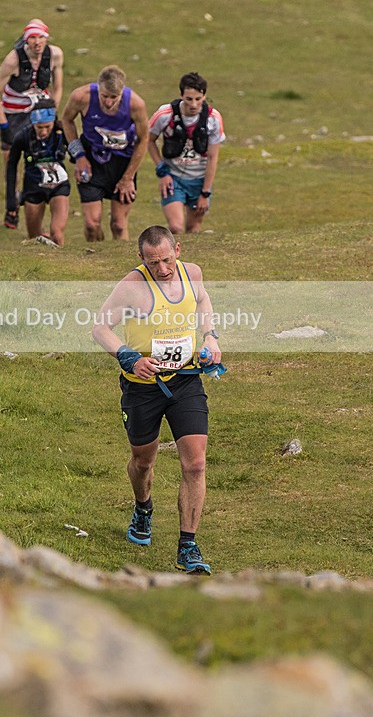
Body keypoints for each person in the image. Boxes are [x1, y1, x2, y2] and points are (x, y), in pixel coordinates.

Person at [91, 225, 223, 574]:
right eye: (153, 263)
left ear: (177, 250)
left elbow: (203, 299)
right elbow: (99, 328)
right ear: (141, 258)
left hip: (185, 381)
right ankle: (143, 506)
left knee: (195, 464)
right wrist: (128, 356)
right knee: (143, 462)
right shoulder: (131, 287)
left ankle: (188, 546)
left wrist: (210, 337)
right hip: (143, 387)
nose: (162, 269)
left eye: (166, 259)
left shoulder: (192, 273)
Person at [0, 19, 64, 229]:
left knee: (43, 156)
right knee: (10, 162)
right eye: (32, 37)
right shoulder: (13, 60)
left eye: (41, 37)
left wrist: (52, 111)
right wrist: (4, 125)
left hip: (39, 110)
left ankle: (40, 199)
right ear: (26, 40)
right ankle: (11, 206)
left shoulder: (55, 55)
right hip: (13, 113)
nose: (37, 42)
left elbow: (58, 87)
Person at [61, 65, 148, 241]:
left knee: (119, 224)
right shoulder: (81, 96)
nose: (108, 102)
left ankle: (120, 263)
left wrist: (128, 177)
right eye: (104, 97)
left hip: (122, 162)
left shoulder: (135, 104)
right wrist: (79, 156)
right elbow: (66, 120)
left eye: (114, 97)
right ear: (98, 88)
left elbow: (143, 139)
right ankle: (96, 260)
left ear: (122, 92)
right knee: (91, 225)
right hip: (91, 159)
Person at [148, 72, 225, 234]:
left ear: (204, 96)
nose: (194, 104)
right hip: (173, 178)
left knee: (193, 229)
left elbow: (213, 157)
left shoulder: (213, 119)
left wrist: (205, 192)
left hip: (199, 181)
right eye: (189, 99)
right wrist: (162, 171)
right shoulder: (165, 114)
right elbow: (148, 140)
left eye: (198, 99)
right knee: (176, 227)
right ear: (181, 95)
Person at [5, 99, 70, 247]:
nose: (43, 132)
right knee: (35, 239)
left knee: (56, 233)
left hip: (59, 186)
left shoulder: (62, 132)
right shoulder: (23, 136)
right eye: (39, 127)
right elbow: (11, 167)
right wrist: (11, 202)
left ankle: (61, 264)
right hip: (33, 187)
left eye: (47, 127)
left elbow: (79, 152)